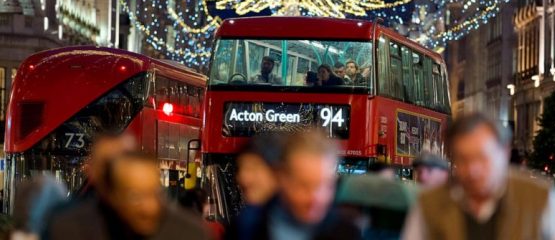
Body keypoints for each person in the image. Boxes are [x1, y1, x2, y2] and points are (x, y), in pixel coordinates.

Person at [402, 112, 555, 239]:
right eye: (462, 159)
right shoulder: (429, 204)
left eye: (482, 158)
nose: (473, 170)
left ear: (504, 152)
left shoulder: (540, 198)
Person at [228, 130, 361, 240]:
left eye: (326, 186)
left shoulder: (347, 233)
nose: (316, 198)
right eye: (304, 186)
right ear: (282, 178)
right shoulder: (247, 226)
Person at [48, 151, 210, 239]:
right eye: (135, 196)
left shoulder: (189, 234)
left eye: (155, 193)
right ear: (113, 196)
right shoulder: (71, 230)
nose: (149, 206)